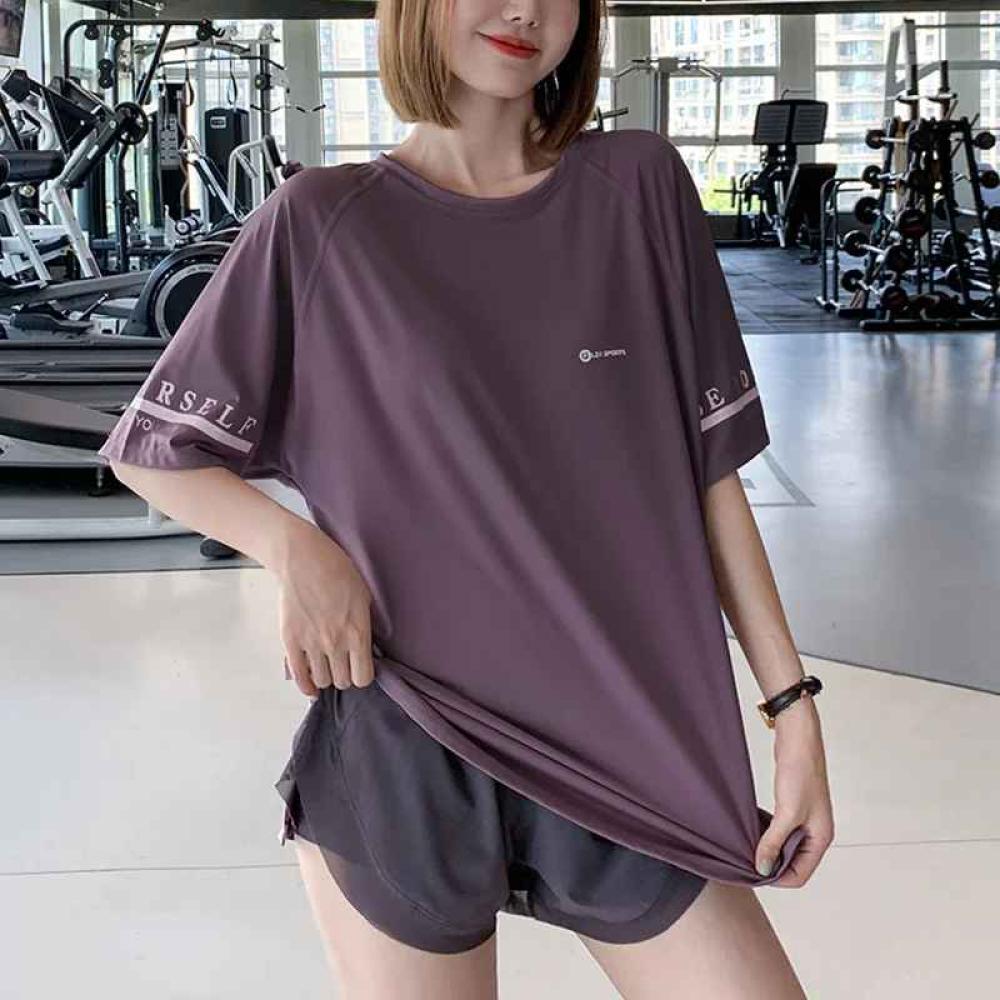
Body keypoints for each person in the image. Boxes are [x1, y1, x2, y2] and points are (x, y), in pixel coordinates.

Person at [97, 0, 835, 996]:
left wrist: (792, 710)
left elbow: (711, 476)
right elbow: (155, 452)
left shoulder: (639, 187)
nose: (524, 10)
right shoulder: (321, 219)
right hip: (408, 743)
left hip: (629, 742)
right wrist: (296, 549)